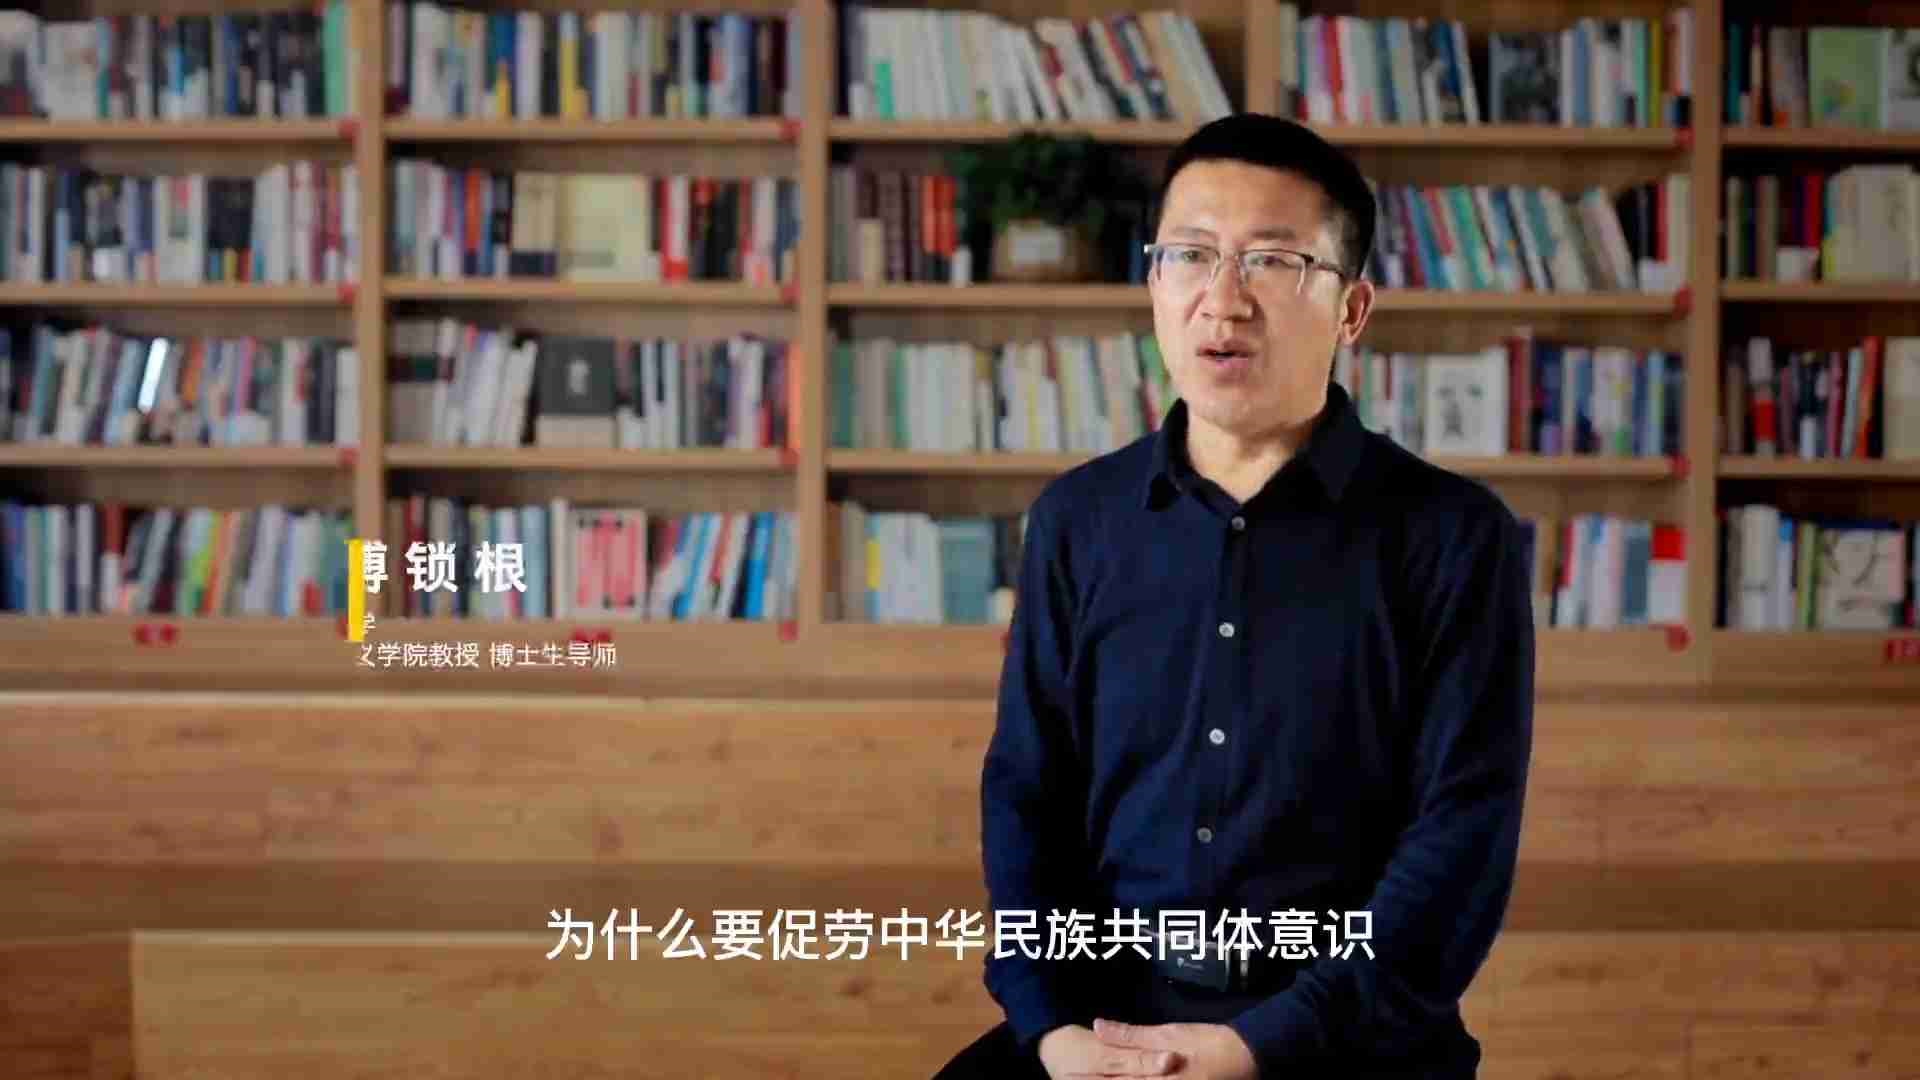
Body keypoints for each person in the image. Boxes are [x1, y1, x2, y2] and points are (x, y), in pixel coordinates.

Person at [933, 113, 1536, 1080]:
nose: (1224, 300)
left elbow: (1460, 841)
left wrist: (1262, 1046)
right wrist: (1053, 1032)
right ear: (1153, 283)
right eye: (1190, 255)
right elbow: (1027, 795)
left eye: (1272, 261)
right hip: (1104, 1024)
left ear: (1352, 309)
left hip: (1345, 1039)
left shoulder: (1455, 538)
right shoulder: (1077, 521)